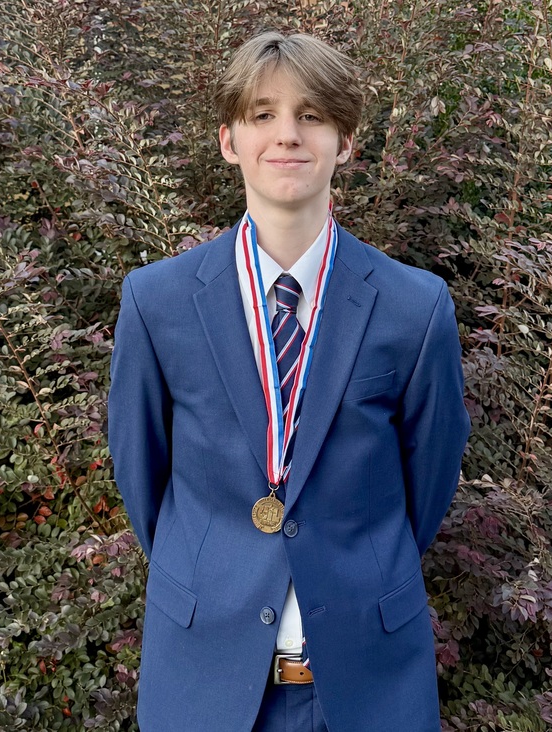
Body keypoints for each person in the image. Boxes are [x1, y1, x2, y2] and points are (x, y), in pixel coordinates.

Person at [107, 31, 470, 732]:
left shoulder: (413, 307)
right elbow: (144, 481)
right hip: (205, 677)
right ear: (228, 140)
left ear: (346, 141)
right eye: (263, 114)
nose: (288, 135)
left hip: (368, 683)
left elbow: (426, 487)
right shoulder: (159, 303)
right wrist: (218, 571)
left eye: (312, 115)